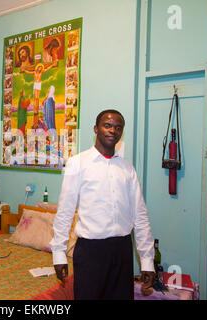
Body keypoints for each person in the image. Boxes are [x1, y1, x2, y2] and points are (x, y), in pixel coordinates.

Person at [50, 109, 155, 300]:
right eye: (107, 125)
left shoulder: (127, 169)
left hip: (122, 251)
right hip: (90, 252)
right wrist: (59, 254)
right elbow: (65, 212)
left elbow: (140, 215)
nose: (112, 130)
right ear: (96, 129)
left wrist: (147, 260)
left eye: (118, 127)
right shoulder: (77, 163)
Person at [21, 62, 57, 128]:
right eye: (39, 68)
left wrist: (52, 65)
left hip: (39, 84)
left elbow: (47, 68)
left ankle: (36, 105)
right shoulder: (34, 72)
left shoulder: (41, 72)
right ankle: (35, 106)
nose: (40, 69)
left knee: (37, 97)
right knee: (36, 98)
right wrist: (24, 70)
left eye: (41, 68)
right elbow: (29, 72)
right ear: (37, 68)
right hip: (35, 84)